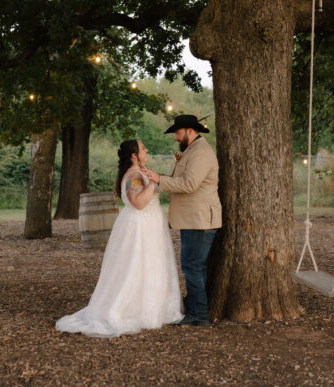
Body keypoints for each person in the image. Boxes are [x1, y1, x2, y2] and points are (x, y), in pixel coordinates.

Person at [55, 139, 183, 337]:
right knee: (136, 267)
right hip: (139, 229)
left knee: (149, 267)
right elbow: (139, 203)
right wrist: (154, 182)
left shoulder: (142, 172)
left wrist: (169, 171)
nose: (146, 149)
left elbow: (159, 188)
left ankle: (151, 307)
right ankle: (130, 309)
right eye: (143, 148)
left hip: (149, 227)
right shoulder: (133, 175)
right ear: (134, 155)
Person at [142, 114, 221, 327]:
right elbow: (180, 181)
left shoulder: (201, 152)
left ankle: (199, 315)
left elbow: (189, 184)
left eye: (178, 133)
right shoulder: (192, 151)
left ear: (190, 131)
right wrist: (158, 178)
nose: (176, 138)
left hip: (200, 219)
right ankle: (197, 310)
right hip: (194, 219)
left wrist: (160, 179)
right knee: (195, 267)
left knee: (192, 267)